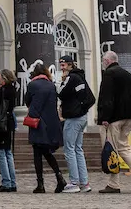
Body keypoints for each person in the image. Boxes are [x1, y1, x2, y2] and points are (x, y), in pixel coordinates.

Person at [95, 50, 131, 195]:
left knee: (111, 151)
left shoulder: (109, 74)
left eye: (103, 61)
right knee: (124, 148)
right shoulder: (128, 75)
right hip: (128, 117)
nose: (102, 63)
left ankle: (114, 184)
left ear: (107, 61)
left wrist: (104, 118)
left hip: (113, 119)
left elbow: (106, 98)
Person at [25, 62, 66, 194]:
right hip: (51, 123)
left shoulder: (32, 85)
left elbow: (27, 101)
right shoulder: (51, 85)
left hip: (37, 122)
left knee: (38, 153)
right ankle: (59, 177)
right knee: (47, 152)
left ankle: (40, 184)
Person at [58, 53, 94, 193]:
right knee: (78, 149)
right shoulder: (80, 77)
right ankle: (84, 182)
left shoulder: (71, 78)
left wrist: (62, 81)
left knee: (69, 149)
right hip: (82, 117)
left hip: (73, 118)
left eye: (63, 65)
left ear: (70, 65)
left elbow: (60, 92)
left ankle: (74, 182)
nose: (62, 68)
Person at [0, 69, 19, 193]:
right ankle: (12, 182)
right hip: (9, 123)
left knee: (1, 153)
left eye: (0, 77)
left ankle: (6, 182)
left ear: (4, 78)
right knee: (8, 153)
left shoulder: (2, 91)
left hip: (1, 124)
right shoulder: (12, 89)